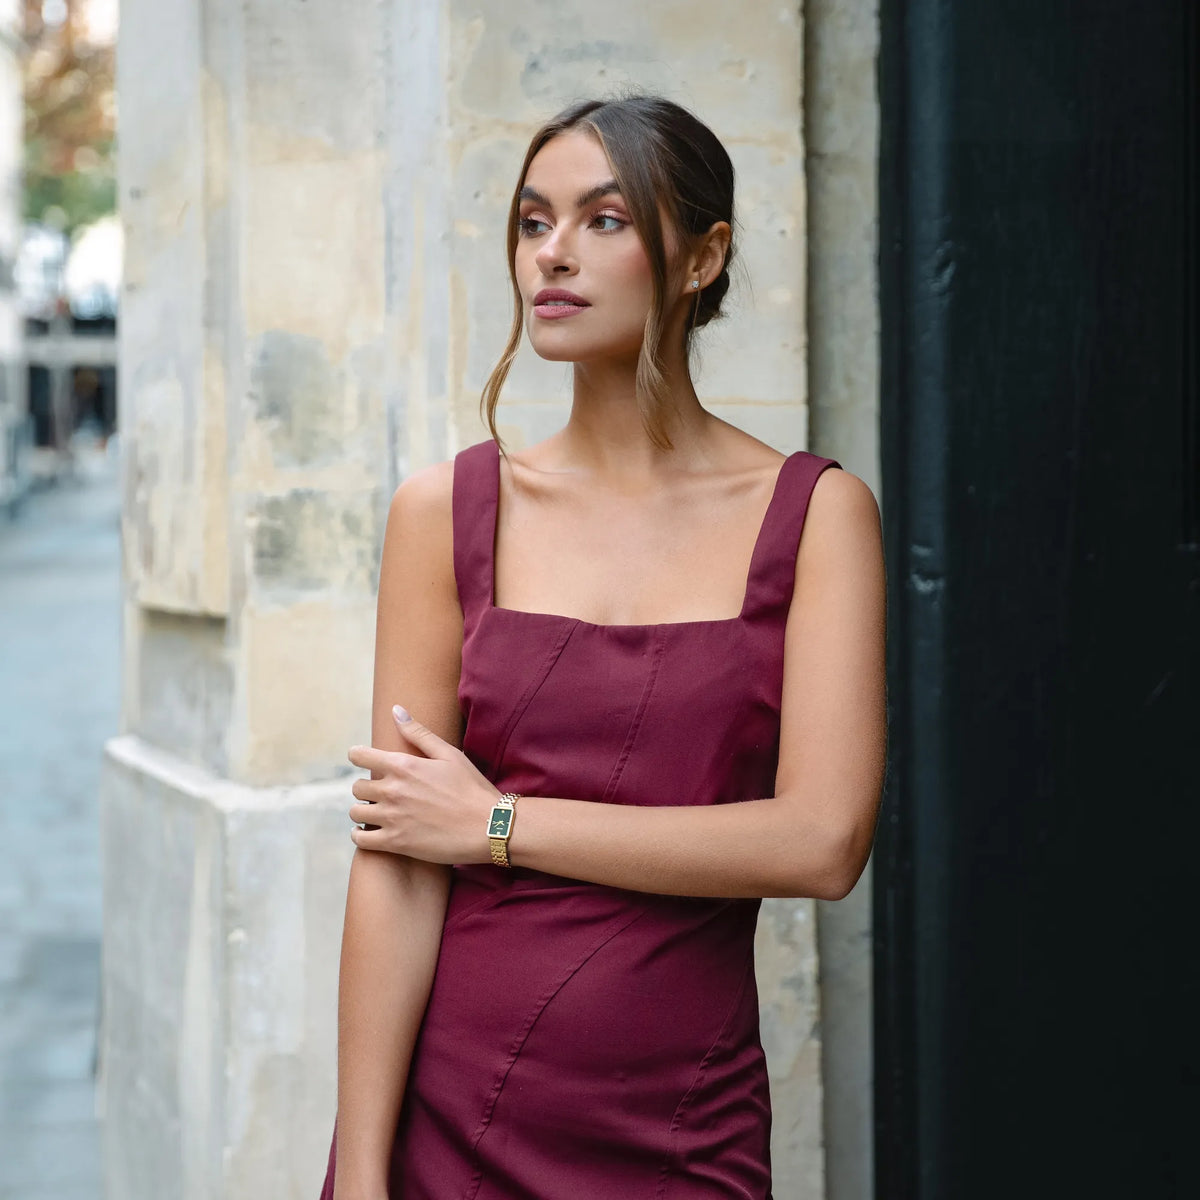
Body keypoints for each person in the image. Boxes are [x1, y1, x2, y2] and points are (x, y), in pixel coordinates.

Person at [320, 93, 887, 1200]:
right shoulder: (447, 510)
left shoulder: (815, 515)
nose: (555, 255)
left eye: (605, 220)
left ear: (702, 257)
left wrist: (495, 824)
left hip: (682, 1123)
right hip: (448, 1111)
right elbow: (397, 860)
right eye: (534, 222)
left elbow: (822, 841)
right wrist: (368, 1169)